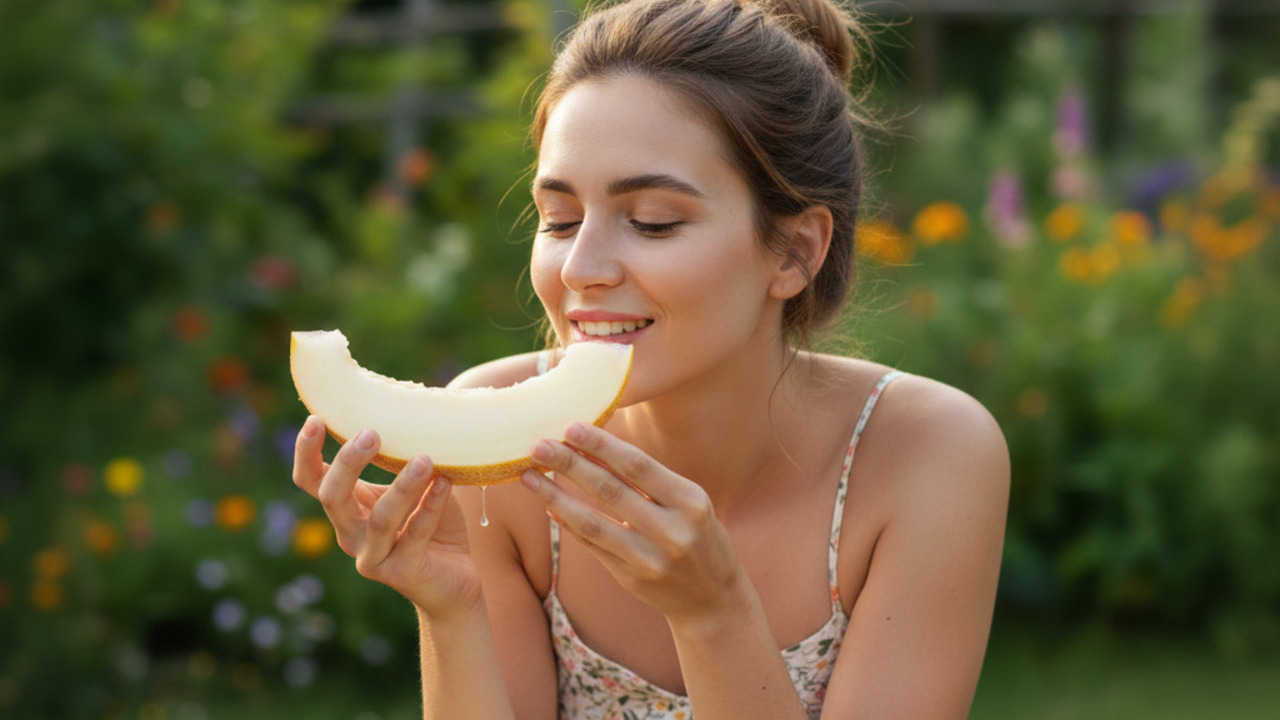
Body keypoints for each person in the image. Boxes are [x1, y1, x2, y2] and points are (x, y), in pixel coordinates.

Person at [292, 0, 1010, 717]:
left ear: (795, 252)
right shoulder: (504, 463)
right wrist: (451, 610)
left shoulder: (929, 456)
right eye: (560, 220)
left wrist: (714, 614)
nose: (581, 267)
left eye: (652, 223)